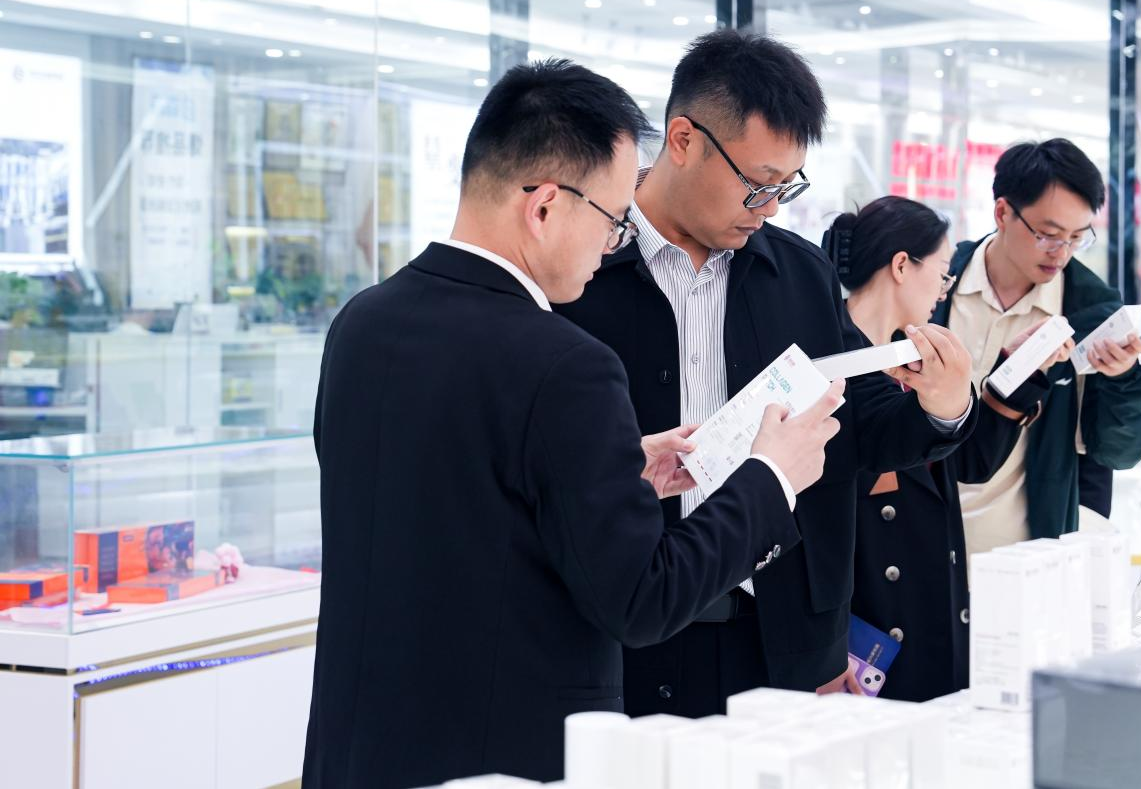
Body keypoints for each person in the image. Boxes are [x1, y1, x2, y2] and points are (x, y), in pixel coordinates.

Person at [303, 59, 846, 787]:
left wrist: (614, 479)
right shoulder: (566, 364)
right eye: (613, 219)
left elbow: (459, 514)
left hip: (361, 749)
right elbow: (641, 600)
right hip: (505, 757)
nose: (615, 242)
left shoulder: (362, 324)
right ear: (545, 207)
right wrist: (770, 476)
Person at [555, 30, 976, 719]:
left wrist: (943, 406)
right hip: (617, 634)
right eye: (758, 184)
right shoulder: (580, 269)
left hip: (778, 635)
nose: (772, 207)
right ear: (683, 140)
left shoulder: (799, 275)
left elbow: (858, 428)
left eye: (786, 185)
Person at [824, 197, 1065, 702]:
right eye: (942, 271)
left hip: (930, 606)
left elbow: (968, 461)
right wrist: (823, 644)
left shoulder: (916, 361)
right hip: (867, 633)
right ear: (901, 266)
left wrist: (1019, 367)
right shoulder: (834, 364)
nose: (944, 288)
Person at [932, 139, 1141, 549]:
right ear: (1002, 212)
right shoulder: (938, 282)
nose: (1061, 253)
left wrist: (1123, 379)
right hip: (924, 544)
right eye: (1048, 235)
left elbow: (1120, 453)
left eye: (1077, 237)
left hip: (1027, 556)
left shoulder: (1091, 311)